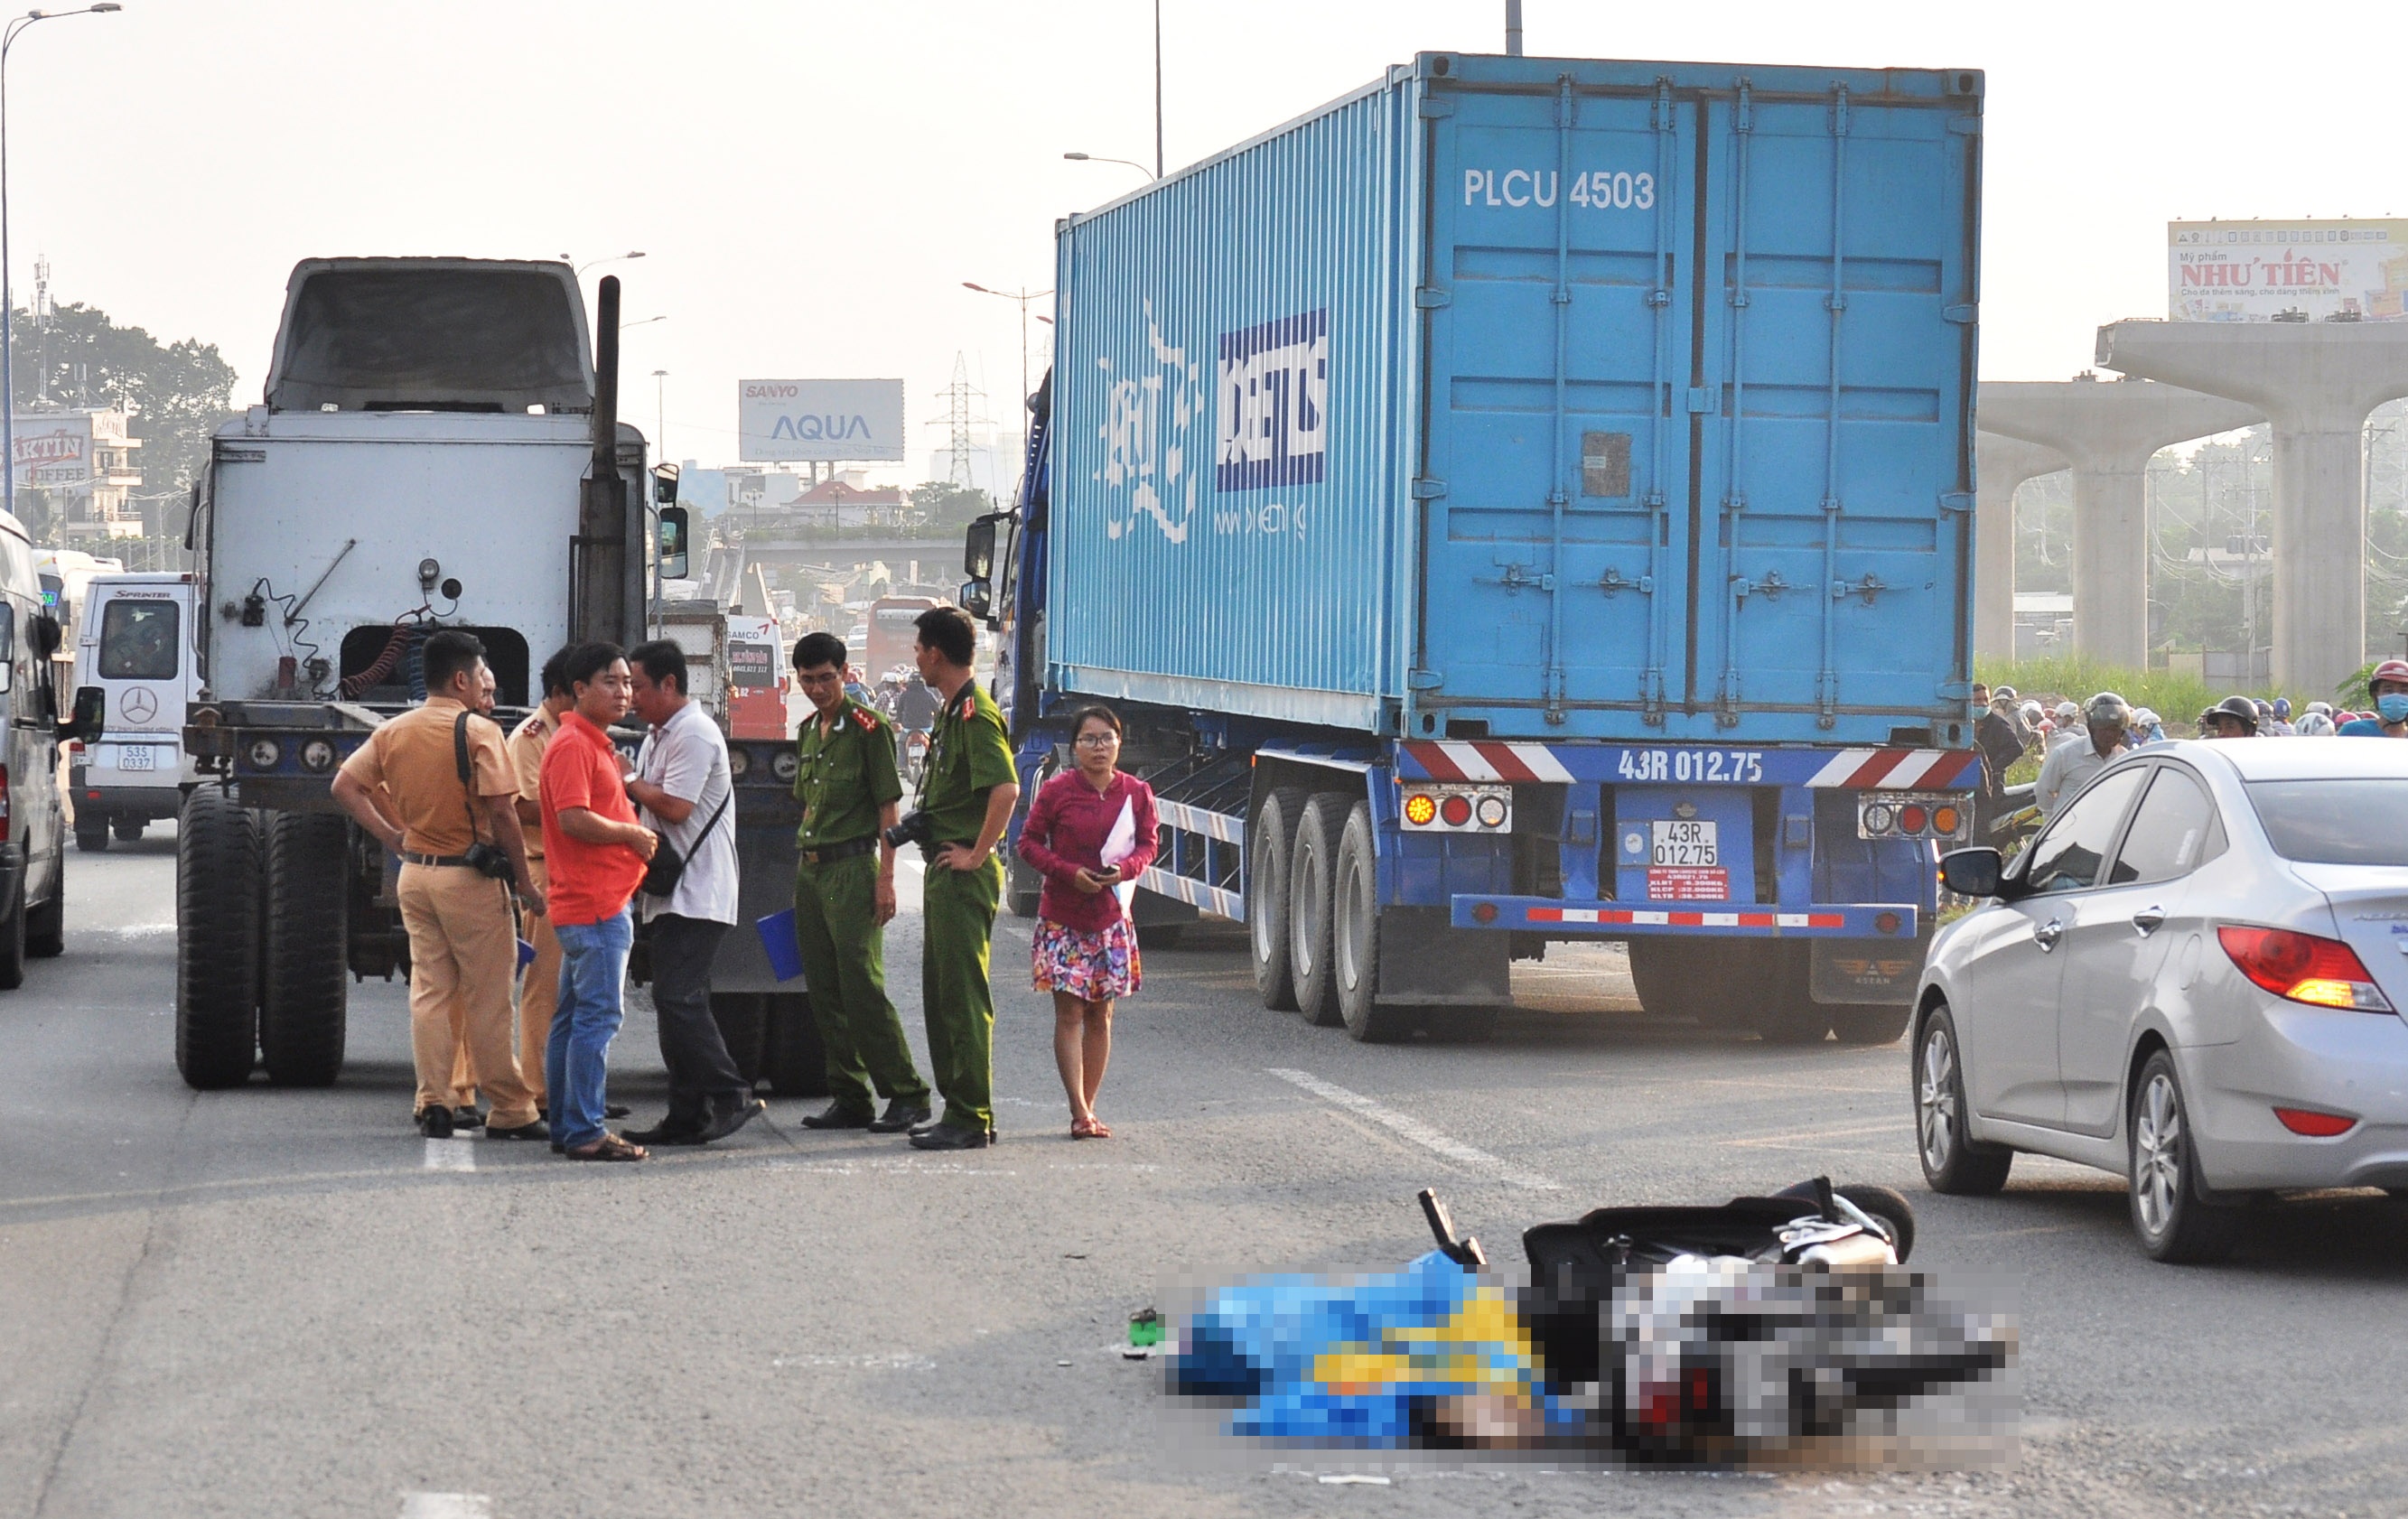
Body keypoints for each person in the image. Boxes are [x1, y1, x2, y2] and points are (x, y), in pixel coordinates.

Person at [331, 629, 547, 1142]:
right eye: (480, 681)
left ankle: (435, 1101)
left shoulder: (394, 731)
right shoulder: (478, 733)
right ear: (461, 679)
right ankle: (512, 1108)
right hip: (467, 879)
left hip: (416, 875)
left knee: (430, 991)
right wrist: (523, 881)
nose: (484, 692)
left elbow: (345, 785)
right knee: (489, 996)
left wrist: (392, 836)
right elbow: (503, 811)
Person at [788, 631, 935, 1134]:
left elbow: (887, 809)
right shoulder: (810, 730)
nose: (817, 688)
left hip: (853, 869)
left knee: (862, 988)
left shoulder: (870, 729)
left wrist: (886, 880)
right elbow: (806, 799)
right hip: (811, 871)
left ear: (845, 673)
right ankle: (850, 1096)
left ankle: (907, 1093)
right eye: (807, 680)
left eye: (826, 678)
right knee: (824, 990)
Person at [622, 638, 762, 1147]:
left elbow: (677, 808)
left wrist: (627, 779)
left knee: (676, 998)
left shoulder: (696, 733)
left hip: (699, 889)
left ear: (670, 684)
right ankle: (686, 1114)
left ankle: (731, 1095)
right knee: (676, 1002)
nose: (630, 696)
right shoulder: (658, 735)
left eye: (636, 686)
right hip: (668, 891)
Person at [540, 641, 658, 1161]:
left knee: (572, 1019)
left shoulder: (593, 743)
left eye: (627, 682)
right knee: (597, 1018)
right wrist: (631, 837)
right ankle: (586, 1130)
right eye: (609, 682)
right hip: (595, 905)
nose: (623, 692)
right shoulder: (573, 745)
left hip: (594, 902)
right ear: (579, 690)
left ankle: (570, 1126)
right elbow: (573, 817)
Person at [908, 604, 1021, 1151]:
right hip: (943, 869)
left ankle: (971, 1115)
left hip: (962, 874)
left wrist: (979, 854)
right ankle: (961, 1108)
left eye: (918, 649)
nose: (916, 659)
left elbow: (1006, 789)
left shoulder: (975, 712)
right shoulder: (953, 712)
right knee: (941, 994)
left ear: (934, 652)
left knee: (962, 997)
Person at [1016, 705, 1157, 1140]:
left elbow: (1150, 845)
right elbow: (1027, 843)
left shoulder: (1136, 793)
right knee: (1070, 1012)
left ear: (1120, 743)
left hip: (1111, 919)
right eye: (1089, 740)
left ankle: (1088, 1107)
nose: (1099, 748)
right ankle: (1078, 1109)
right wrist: (1066, 872)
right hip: (1063, 919)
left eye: (1107, 739)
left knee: (1102, 1014)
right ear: (1074, 747)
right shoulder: (1058, 792)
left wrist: (1127, 869)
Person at [505, 648, 573, 1119]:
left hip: (576, 870)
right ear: (559, 693)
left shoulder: (575, 734)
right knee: (545, 987)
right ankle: (541, 1090)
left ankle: (574, 1088)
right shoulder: (533, 736)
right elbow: (522, 806)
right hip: (545, 868)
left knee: (577, 990)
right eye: (585, 689)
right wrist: (584, 815)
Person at [2035, 691, 2133, 821]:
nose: (2109, 735)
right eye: (2104, 729)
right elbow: (2043, 791)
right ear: (2092, 728)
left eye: (2114, 730)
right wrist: (2054, 822)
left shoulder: (2125, 760)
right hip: (2068, 832)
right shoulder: (2065, 754)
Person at [2338, 660, 2408, 737]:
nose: (2396, 697)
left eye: (2404, 691)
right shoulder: (2354, 731)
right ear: (2375, 696)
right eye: (2388, 691)